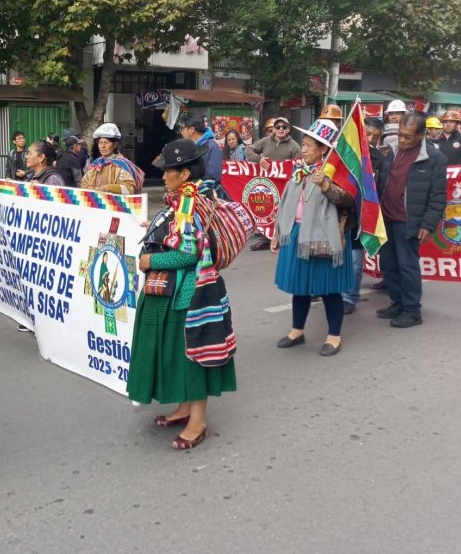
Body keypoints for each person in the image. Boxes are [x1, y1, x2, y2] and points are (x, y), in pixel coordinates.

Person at [127, 138, 236, 450]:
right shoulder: (181, 200)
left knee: (191, 356)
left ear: (185, 174)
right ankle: (185, 408)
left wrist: (152, 260)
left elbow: (189, 253)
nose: (163, 176)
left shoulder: (188, 203)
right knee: (178, 352)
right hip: (175, 291)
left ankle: (198, 421)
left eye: (169, 170)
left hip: (189, 294)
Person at [272, 119, 355, 356]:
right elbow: (288, 202)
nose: (304, 148)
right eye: (304, 144)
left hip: (324, 238)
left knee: (329, 289)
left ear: (323, 150)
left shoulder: (334, 171)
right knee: (300, 287)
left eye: (310, 145)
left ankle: (334, 336)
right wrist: (279, 232)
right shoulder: (299, 170)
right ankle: (297, 331)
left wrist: (326, 185)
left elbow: (348, 200)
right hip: (297, 234)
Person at [375, 113, 447, 328]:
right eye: (400, 135)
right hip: (385, 218)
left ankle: (412, 310)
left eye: (407, 137)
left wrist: (428, 225)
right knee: (389, 264)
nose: (402, 140)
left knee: (408, 267)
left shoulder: (434, 158)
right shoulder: (392, 152)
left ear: (420, 135)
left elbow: (438, 197)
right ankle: (397, 303)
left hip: (409, 222)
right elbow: (382, 182)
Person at [342, 117, 384, 314]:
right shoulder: (343, 153)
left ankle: (350, 298)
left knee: (355, 262)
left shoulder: (380, 159)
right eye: (367, 133)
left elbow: (382, 189)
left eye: (376, 136)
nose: (371, 139)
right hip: (339, 215)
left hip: (360, 218)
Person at [246, 117, 301, 250]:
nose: (281, 129)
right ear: (274, 129)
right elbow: (248, 151)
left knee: (284, 212)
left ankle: (283, 238)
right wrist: (258, 159)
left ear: (288, 129)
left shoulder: (294, 146)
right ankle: (265, 239)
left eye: (284, 127)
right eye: (278, 127)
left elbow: (299, 165)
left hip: (285, 185)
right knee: (267, 211)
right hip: (267, 186)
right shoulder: (265, 141)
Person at [80, 123, 144, 194]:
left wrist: (108, 188)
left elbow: (129, 189)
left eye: (106, 143)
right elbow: (84, 183)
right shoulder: (96, 164)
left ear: (115, 145)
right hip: (96, 203)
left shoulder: (122, 165)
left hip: (116, 204)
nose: (103, 146)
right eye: (100, 143)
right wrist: (90, 189)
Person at [178, 116, 223, 185]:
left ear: (191, 130)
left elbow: (213, 177)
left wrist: (195, 188)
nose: (181, 132)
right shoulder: (191, 146)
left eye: (182, 129)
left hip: (204, 193)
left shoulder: (211, 147)